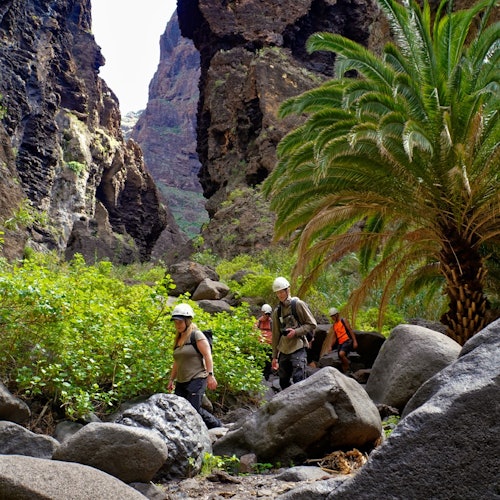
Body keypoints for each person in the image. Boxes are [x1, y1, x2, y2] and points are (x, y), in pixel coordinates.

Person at [167, 303, 221, 429]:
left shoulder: (196, 335)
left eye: (180, 322)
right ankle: (215, 426)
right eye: (175, 322)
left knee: (193, 410)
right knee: (181, 410)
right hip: (182, 381)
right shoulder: (178, 339)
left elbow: (207, 355)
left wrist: (210, 375)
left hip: (197, 378)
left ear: (187, 321)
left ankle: (218, 427)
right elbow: (177, 362)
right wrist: (171, 379)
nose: (177, 325)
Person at [271, 277, 317, 390]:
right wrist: (274, 357)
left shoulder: (298, 304)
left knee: (299, 380)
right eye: (278, 293)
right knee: (283, 382)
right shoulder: (277, 312)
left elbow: (312, 324)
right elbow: (276, 335)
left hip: (298, 347)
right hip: (283, 349)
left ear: (288, 290)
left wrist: (296, 332)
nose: (280, 295)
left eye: (282, 291)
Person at [323, 307, 358, 374]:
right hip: (341, 343)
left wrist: (355, 341)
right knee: (340, 357)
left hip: (347, 340)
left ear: (336, 315)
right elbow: (334, 337)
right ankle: (346, 372)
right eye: (331, 316)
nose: (332, 318)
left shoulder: (343, 320)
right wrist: (330, 346)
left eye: (333, 316)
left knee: (341, 354)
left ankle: (348, 366)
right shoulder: (335, 325)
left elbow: (350, 330)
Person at [255, 304, 273, 380]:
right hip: (260, 345)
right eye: (266, 313)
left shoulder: (272, 323)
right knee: (259, 362)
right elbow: (254, 332)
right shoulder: (258, 322)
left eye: (268, 314)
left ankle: (267, 377)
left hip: (269, 346)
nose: (267, 315)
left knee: (268, 363)